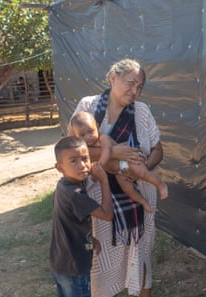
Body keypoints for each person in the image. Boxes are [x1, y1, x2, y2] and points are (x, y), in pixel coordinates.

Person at [67, 58, 165, 297]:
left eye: (139, 87)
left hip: (138, 193)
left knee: (140, 256)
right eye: (130, 83)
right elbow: (70, 150)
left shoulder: (141, 111)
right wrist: (114, 152)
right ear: (113, 78)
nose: (134, 91)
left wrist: (140, 168)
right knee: (102, 261)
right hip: (100, 199)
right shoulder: (88, 107)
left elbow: (158, 150)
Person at [49, 136, 113, 297]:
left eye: (85, 159)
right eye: (73, 161)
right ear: (59, 167)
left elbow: (71, 220)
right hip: (74, 266)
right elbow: (107, 215)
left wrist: (89, 238)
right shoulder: (75, 194)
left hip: (61, 261)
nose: (82, 165)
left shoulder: (64, 184)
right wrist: (104, 181)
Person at [70, 110, 168, 213]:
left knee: (143, 173)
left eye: (90, 131)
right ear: (76, 136)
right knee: (127, 189)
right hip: (119, 172)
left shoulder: (103, 139)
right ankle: (143, 202)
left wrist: (100, 164)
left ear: (97, 126)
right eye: (82, 135)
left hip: (129, 160)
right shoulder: (84, 148)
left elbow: (107, 152)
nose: (88, 137)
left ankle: (161, 185)